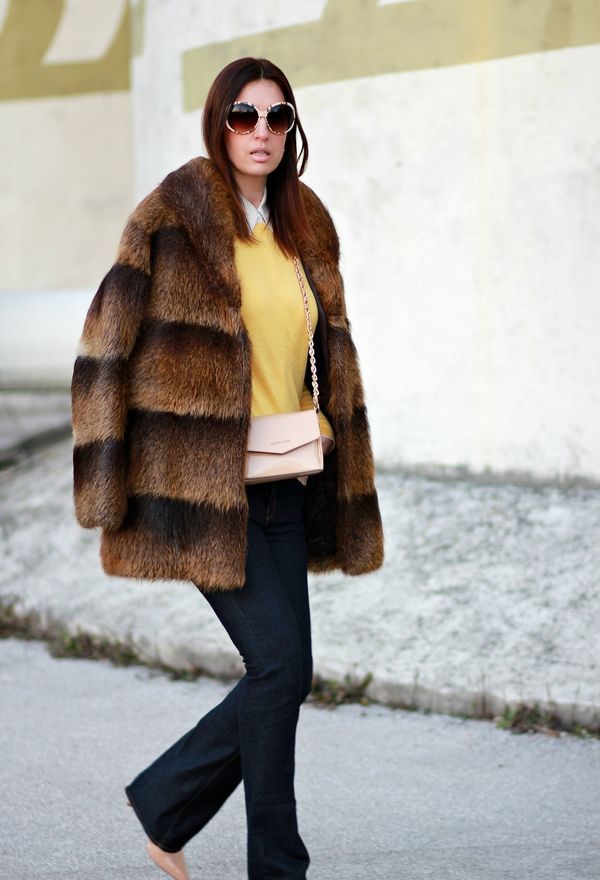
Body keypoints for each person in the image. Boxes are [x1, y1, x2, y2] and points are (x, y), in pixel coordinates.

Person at [70, 56, 384, 880]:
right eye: (245, 116)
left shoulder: (304, 223)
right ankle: (273, 866)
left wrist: (331, 431)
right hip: (203, 491)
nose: (261, 132)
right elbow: (103, 347)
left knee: (287, 675)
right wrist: (104, 478)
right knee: (278, 669)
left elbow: (320, 354)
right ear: (220, 123)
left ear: (292, 130)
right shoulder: (173, 216)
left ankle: (167, 807)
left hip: (287, 481)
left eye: (278, 117)